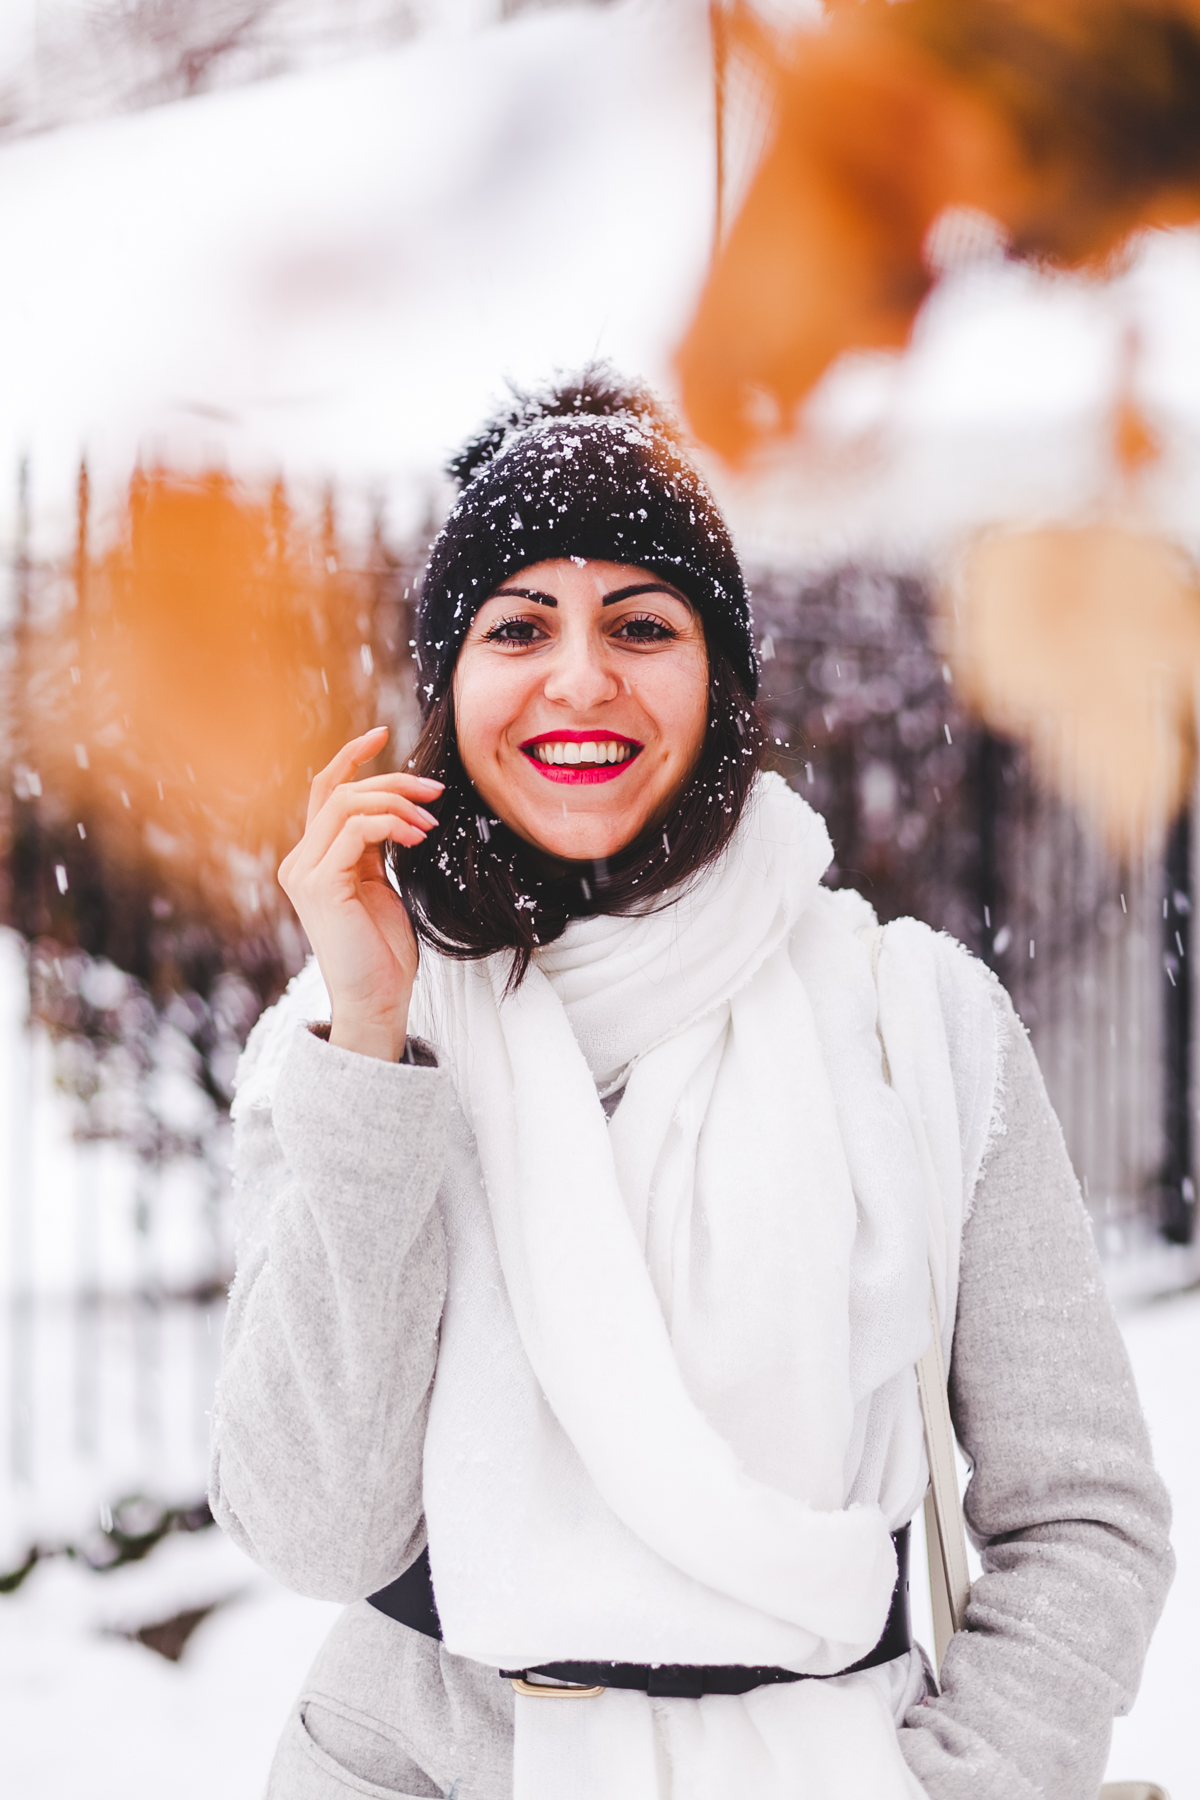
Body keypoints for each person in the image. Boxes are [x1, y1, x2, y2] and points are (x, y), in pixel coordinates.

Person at [210, 371, 1171, 1800]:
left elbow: (1085, 1516)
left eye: (643, 626)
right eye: (518, 626)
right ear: (448, 684)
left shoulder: (913, 1020)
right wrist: (367, 1038)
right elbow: (316, 1533)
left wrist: (964, 1780)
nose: (581, 679)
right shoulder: (352, 1035)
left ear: (719, 679)